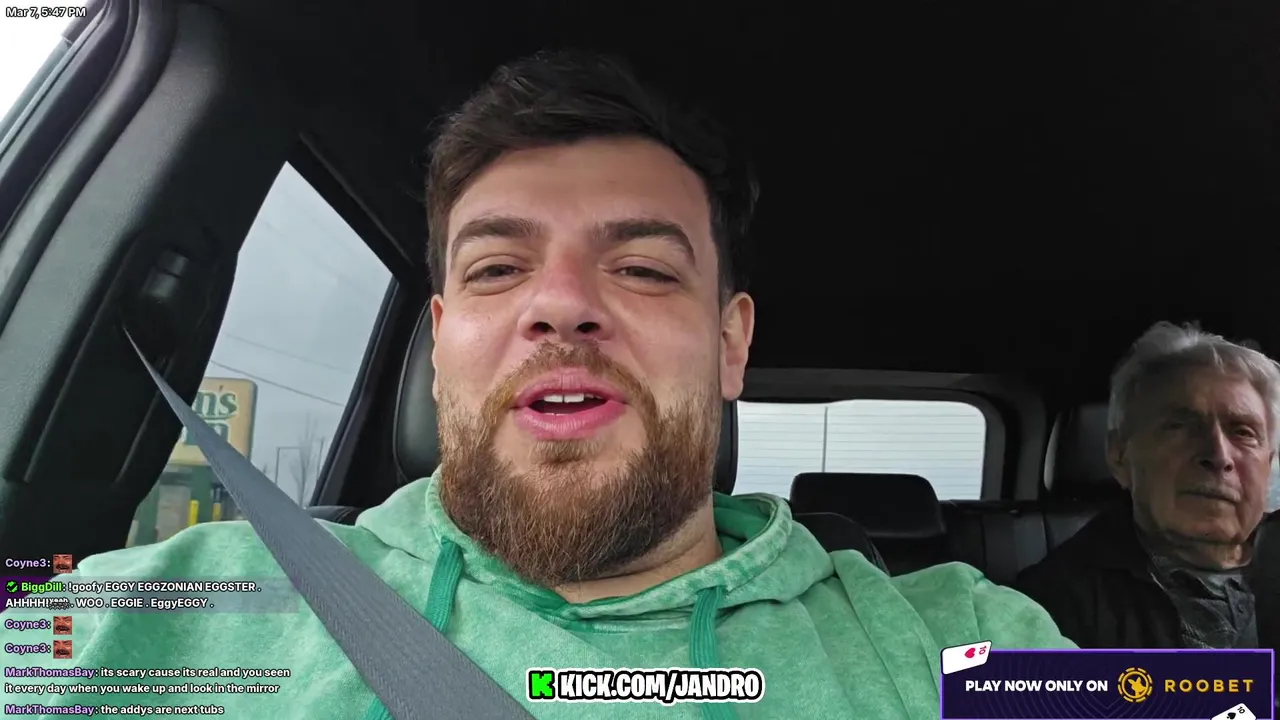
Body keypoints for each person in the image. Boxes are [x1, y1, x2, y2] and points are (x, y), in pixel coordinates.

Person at [0, 50, 1071, 719]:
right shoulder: (179, 612)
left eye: (642, 268)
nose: (559, 304)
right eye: (497, 269)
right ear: (440, 344)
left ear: (730, 343)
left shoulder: (958, 645)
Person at [1017, 321, 1279, 651]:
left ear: (1268, 464)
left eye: (1243, 432)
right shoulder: (1049, 608)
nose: (1218, 455)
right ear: (1119, 456)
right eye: (1179, 426)